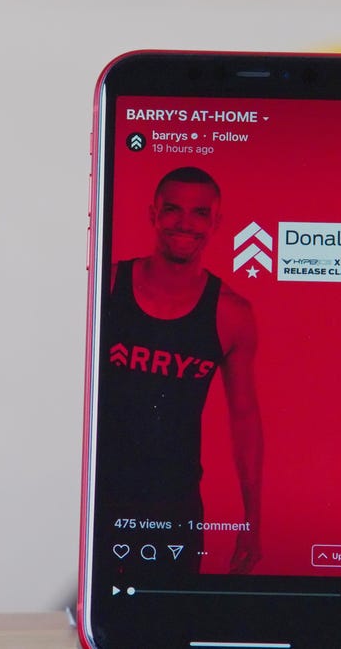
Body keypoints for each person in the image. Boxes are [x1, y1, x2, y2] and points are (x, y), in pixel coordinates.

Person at [96, 166, 263, 576]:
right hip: (100, 499)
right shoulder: (108, 287)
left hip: (176, 507)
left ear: (216, 223)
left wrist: (252, 521)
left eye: (200, 213)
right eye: (172, 209)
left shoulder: (231, 313)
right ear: (152, 213)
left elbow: (244, 420)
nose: (184, 223)